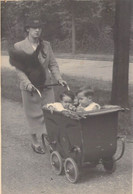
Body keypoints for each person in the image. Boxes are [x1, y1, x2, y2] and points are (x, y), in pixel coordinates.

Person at [9, 16, 67, 154]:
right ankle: (35, 141)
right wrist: (28, 84)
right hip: (30, 87)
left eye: (39, 28)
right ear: (27, 29)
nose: (37, 30)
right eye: (34, 28)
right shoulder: (19, 46)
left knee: (51, 112)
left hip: (47, 85)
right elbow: (20, 69)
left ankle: (51, 139)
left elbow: (52, 64)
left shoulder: (46, 45)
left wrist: (59, 78)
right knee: (33, 115)